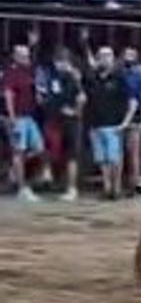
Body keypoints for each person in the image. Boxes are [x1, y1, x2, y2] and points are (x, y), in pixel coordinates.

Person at [85, 46, 135, 199]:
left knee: (115, 159)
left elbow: (133, 102)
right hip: (96, 125)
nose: (105, 58)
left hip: (114, 125)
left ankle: (117, 188)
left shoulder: (120, 78)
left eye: (108, 55)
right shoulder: (92, 78)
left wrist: (125, 123)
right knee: (102, 159)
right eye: (102, 55)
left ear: (113, 59)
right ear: (98, 58)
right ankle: (107, 188)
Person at [40, 47, 86, 201]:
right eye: (58, 62)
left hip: (72, 122)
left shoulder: (74, 77)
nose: (60, 65)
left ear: (68, 62)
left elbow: (82, 98)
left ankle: (72, 189)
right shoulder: (53, 77)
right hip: (56, 120)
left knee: (72, 156)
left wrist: (75, 112)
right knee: (49, 147)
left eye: (63, 62)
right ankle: (48, 175)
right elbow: (51, 96)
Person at [4, 44, 45, 201]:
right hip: (18, 118)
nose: (26, 58)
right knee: (19, 151)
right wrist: (12, 118)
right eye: (22, 55)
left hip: (30, 117)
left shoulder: (28, 72)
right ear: (15, 56)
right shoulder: (11, 73)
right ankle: (22, 188)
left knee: (38, 148)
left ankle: (13, 171)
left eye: (27, 55)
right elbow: (9, 96)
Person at [120, 47, 141, 193]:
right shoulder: (118, 74)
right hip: (118, 117)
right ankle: (121, 182)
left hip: (135, 118)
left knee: (133, 153)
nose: (128, 58)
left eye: (131, 55)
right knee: (120, 153)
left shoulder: (140, 76)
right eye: (126, 55)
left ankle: (133, 184)